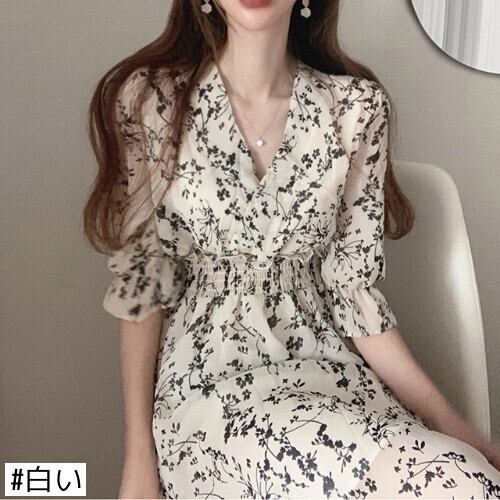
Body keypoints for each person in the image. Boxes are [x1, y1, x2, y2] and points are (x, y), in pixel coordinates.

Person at [84, 0, 500, 498]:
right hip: (209, 395)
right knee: (454, 481)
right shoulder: (153, 102)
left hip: (336, 383)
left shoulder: (355, 108)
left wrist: (454, 427)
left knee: (462, 476)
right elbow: (144, 285)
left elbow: (355, 299)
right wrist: (138, 458)